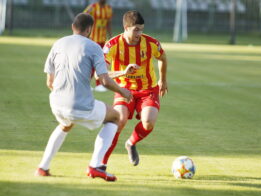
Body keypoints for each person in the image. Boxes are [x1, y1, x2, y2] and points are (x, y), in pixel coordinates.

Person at [35, 13, 134, 182]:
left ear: (73, 27)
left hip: (56, 103)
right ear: (89, 29)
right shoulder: (93, 46)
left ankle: (42, 167)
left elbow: (49, 82)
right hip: (79, 104)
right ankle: (95, 166)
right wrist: (124, 91)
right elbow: (103, 80)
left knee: (65, 124)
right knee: (115, 117)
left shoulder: (58, 43)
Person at [100, 10, 168, 168]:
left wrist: (162, 80)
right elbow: (101, 74)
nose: (140, 33)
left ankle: (131, 143)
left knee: (148, 122)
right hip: (124, 90)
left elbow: (163, 58)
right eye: (136, 29)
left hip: (148, 90)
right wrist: (123, 72)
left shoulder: (151, 43)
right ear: (126, 27)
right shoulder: (112, 45)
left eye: (142, 29)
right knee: (119, 121)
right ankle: (101, 163)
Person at [84, 0, 113, 92]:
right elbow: (83, 18)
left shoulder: (108, 9)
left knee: (100, 62)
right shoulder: (92, 7)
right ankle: (85, 83)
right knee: (91, 62)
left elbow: (108, 23)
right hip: (92, 39)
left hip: (102, 41)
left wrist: (111, 37)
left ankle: (99, 85)